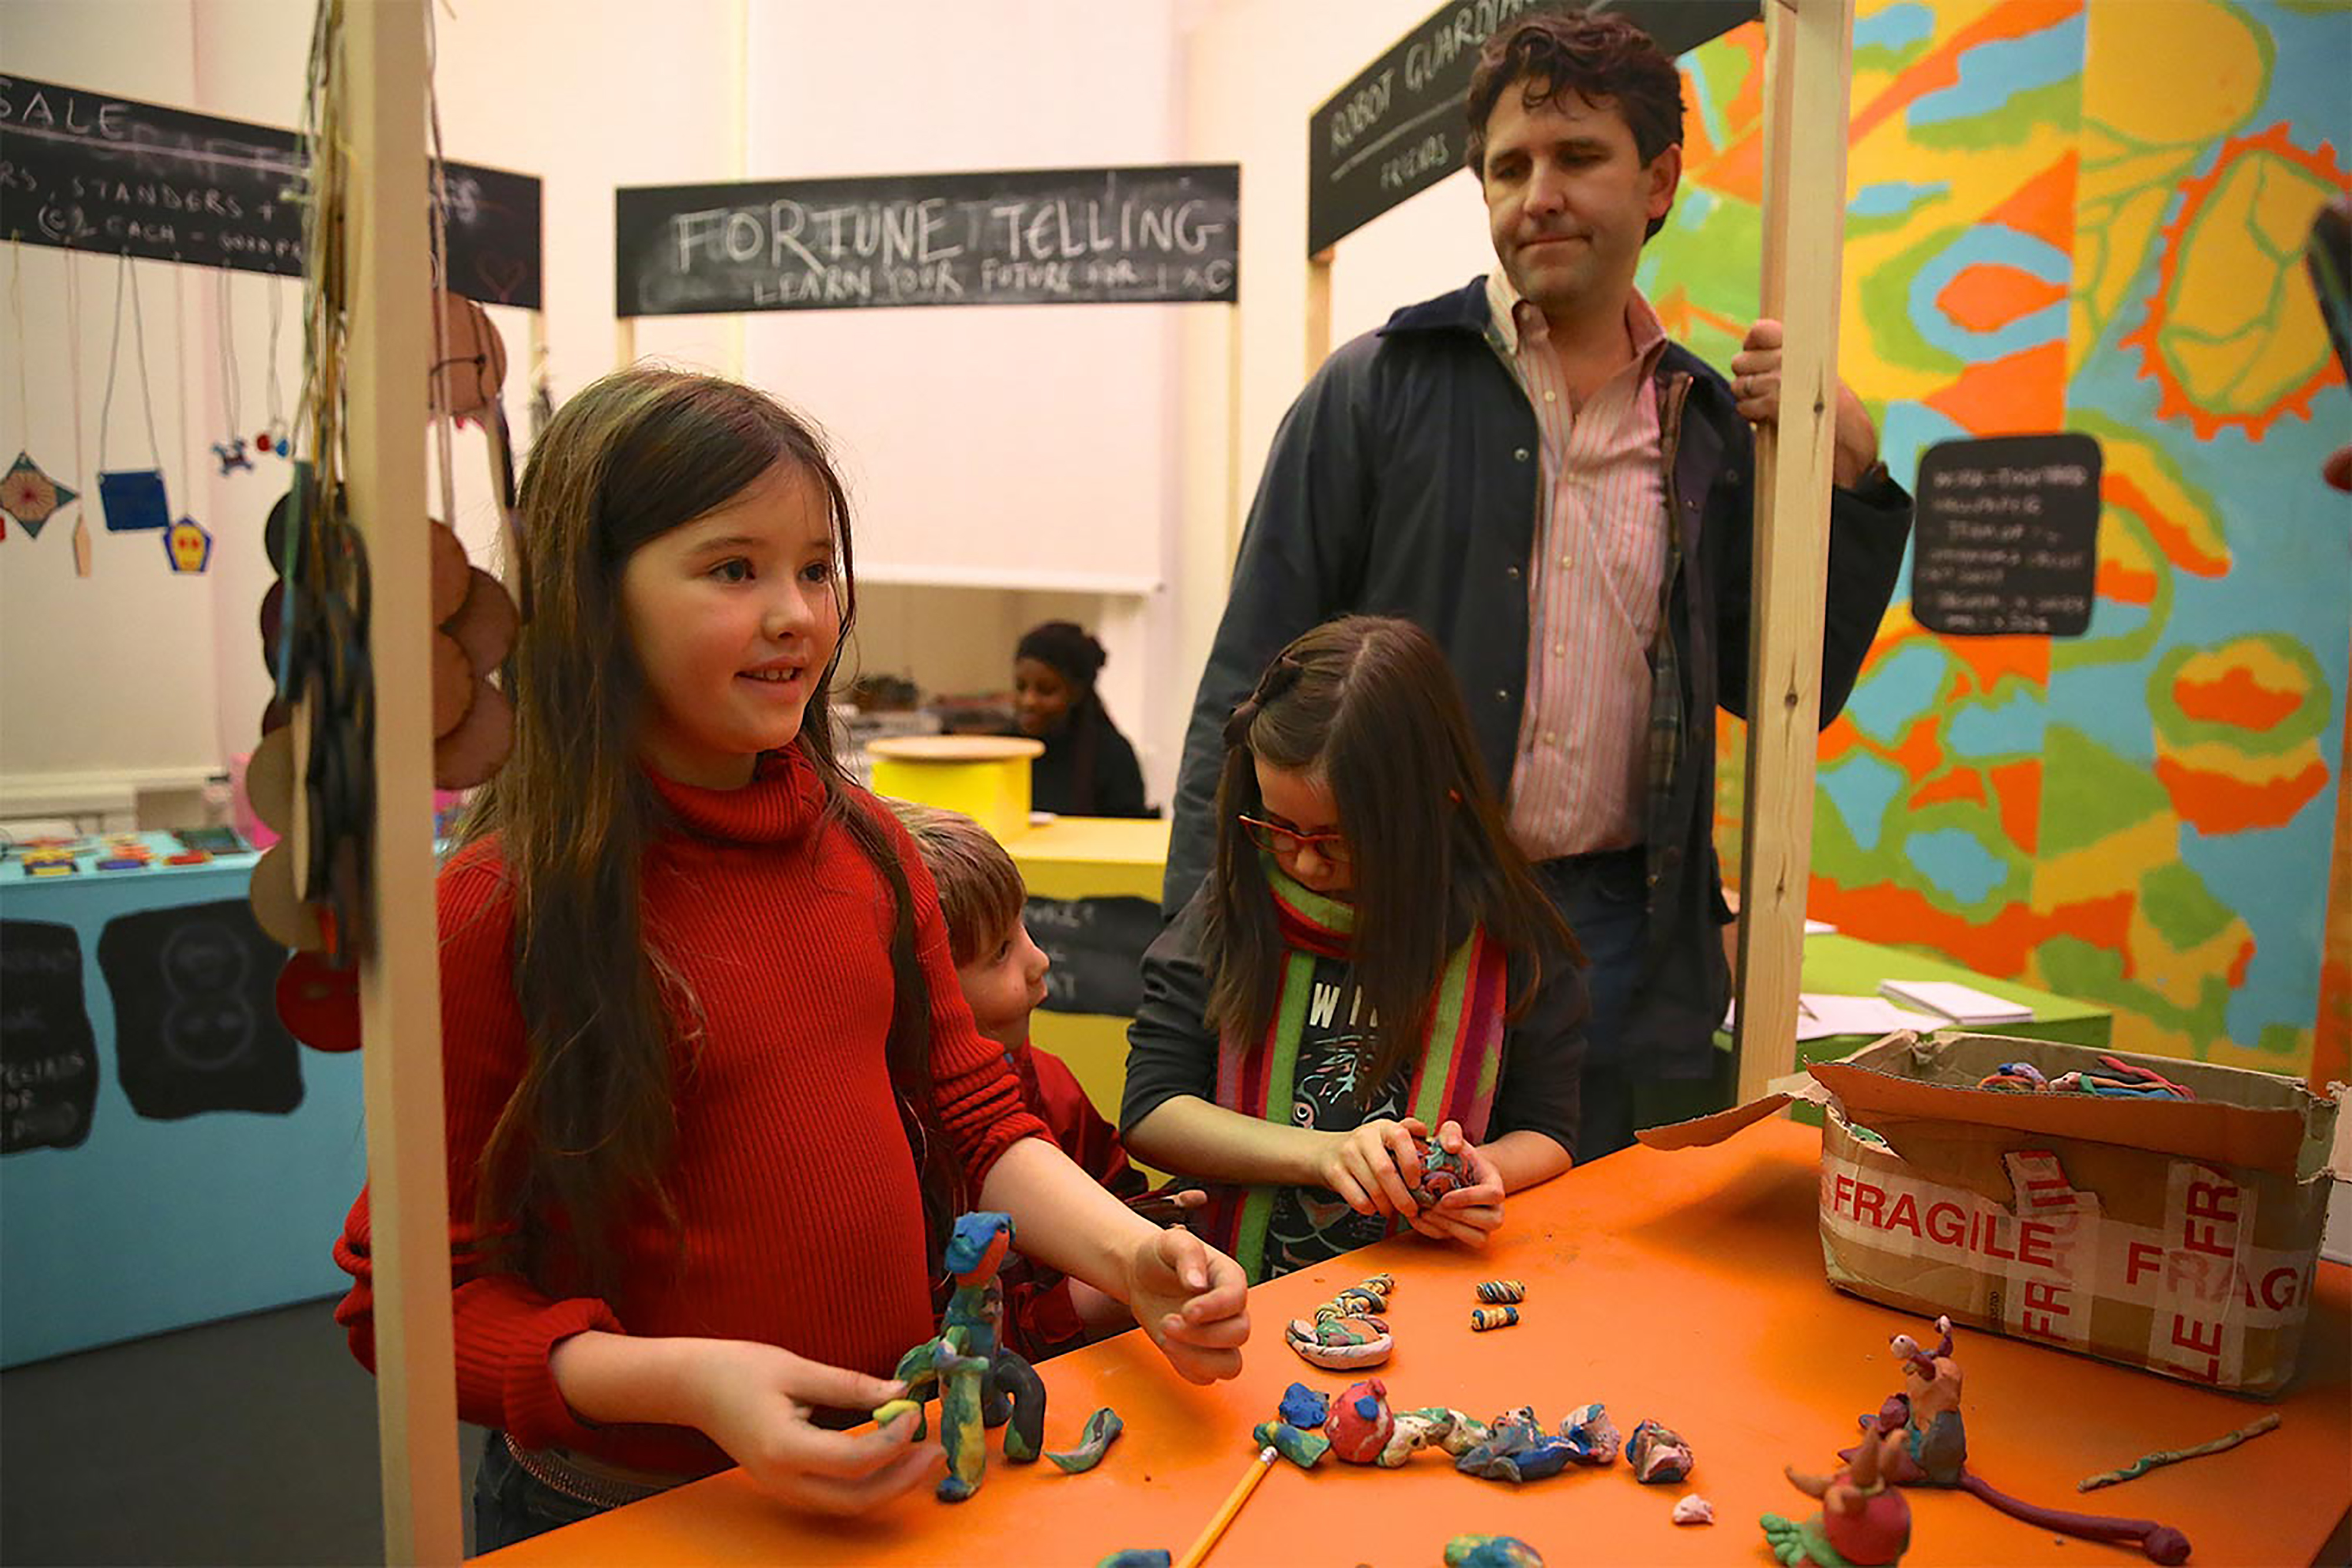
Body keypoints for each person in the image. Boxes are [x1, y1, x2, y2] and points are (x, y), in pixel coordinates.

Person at [330, 369, 1248, 1550]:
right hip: (627, 1505)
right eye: (732, 569)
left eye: (816, 567)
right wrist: (690, 1382)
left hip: (887, 1468)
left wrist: (1133, 1256)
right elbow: (407, 1303)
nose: (799, 616)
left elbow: (976, 1121)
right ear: (595, 598)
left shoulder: (864, 844)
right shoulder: (494, 909)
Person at [1164, 11, 1915, 1162]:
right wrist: (1205, 944)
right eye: (1508, 167)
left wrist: (1842, 470)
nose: (1536, 194)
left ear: (1657, 179)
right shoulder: (1371, 391)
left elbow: (1784, 684)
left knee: (1601, 1270)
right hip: (1393, 921)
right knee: (1371, 1266)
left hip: (1624, 934)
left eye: (1576, 157)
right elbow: (1246, 681)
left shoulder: (1709, 425)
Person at [1123, 616, 1588, 1283]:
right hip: (1241, 1291)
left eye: (1338, 839)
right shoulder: (1231, 911)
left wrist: (1487, 1175)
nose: (1305, 865)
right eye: (1278, 828)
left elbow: (1548, 1131)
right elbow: (1150, 1110)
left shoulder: (1512, 937)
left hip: (1437, 1295)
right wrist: (1325, 1155)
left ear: (1437, 807)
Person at [887, 798, 1206, 1359]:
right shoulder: (893, 1156)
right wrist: (1080, 1304)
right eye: (1001, 952)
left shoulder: (1049, 1084)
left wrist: (1156, 1222)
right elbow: (932, 1354)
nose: (1040, 960)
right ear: (922, 997)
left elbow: (1115, 1190)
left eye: (1024, 927)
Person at [1012, 620, 1152, 818]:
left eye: (1046, 690)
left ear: (1077, 693)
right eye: (1020, 687)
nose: (1029, 701)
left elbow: (1130, 836)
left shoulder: (1112, 756)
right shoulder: (1001, 750)